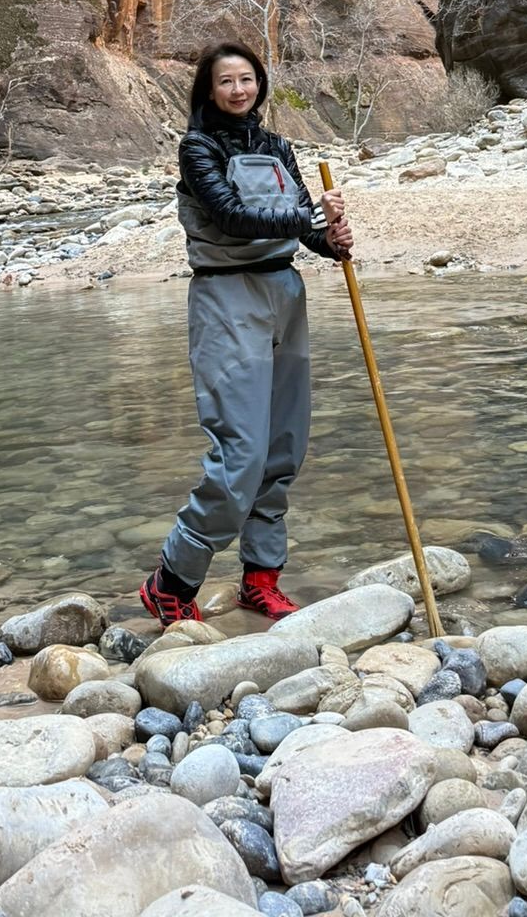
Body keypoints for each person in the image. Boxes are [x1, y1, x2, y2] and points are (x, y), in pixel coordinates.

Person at [140, 42, 353, 626]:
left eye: (247, 79)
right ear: (208, 91)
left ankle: (260, 579)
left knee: (283, 448)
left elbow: (304, 226)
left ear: (259, 83)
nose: (238, 90)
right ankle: (171, 580)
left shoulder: (278, 147)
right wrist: (305, 219)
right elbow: (231, 215)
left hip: (284, 294)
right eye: (225, 81)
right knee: (241, 453)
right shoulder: (198, 147)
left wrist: (331, 240)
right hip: (226, 297)